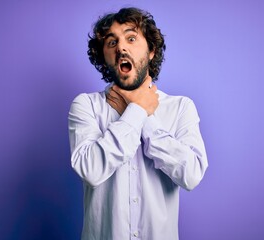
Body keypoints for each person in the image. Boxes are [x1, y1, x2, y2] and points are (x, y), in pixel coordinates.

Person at [68, 7, 208, 240]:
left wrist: (141, 117)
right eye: (112, 43)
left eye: (131, 38)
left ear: (151, 51)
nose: (121, 47)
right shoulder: (86, 106)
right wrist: (137, 112)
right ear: (104, 56)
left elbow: (191, 175)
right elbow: (90, 170)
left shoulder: (181, 107)